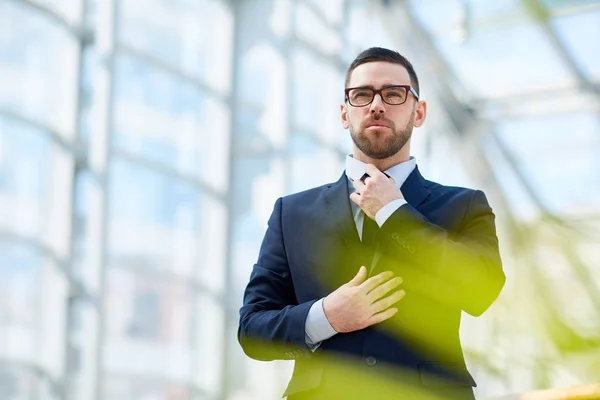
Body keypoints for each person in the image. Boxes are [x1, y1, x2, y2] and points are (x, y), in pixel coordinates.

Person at [238, 47, 506, 400]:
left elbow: (480, 291)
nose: (376, 105)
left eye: (394, 94)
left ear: (419, 112)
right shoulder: (292, 212)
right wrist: (326, 316)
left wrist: (396, 214)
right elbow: (252, 330)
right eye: (362, 95)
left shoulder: (464, 205)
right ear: (344, 114)